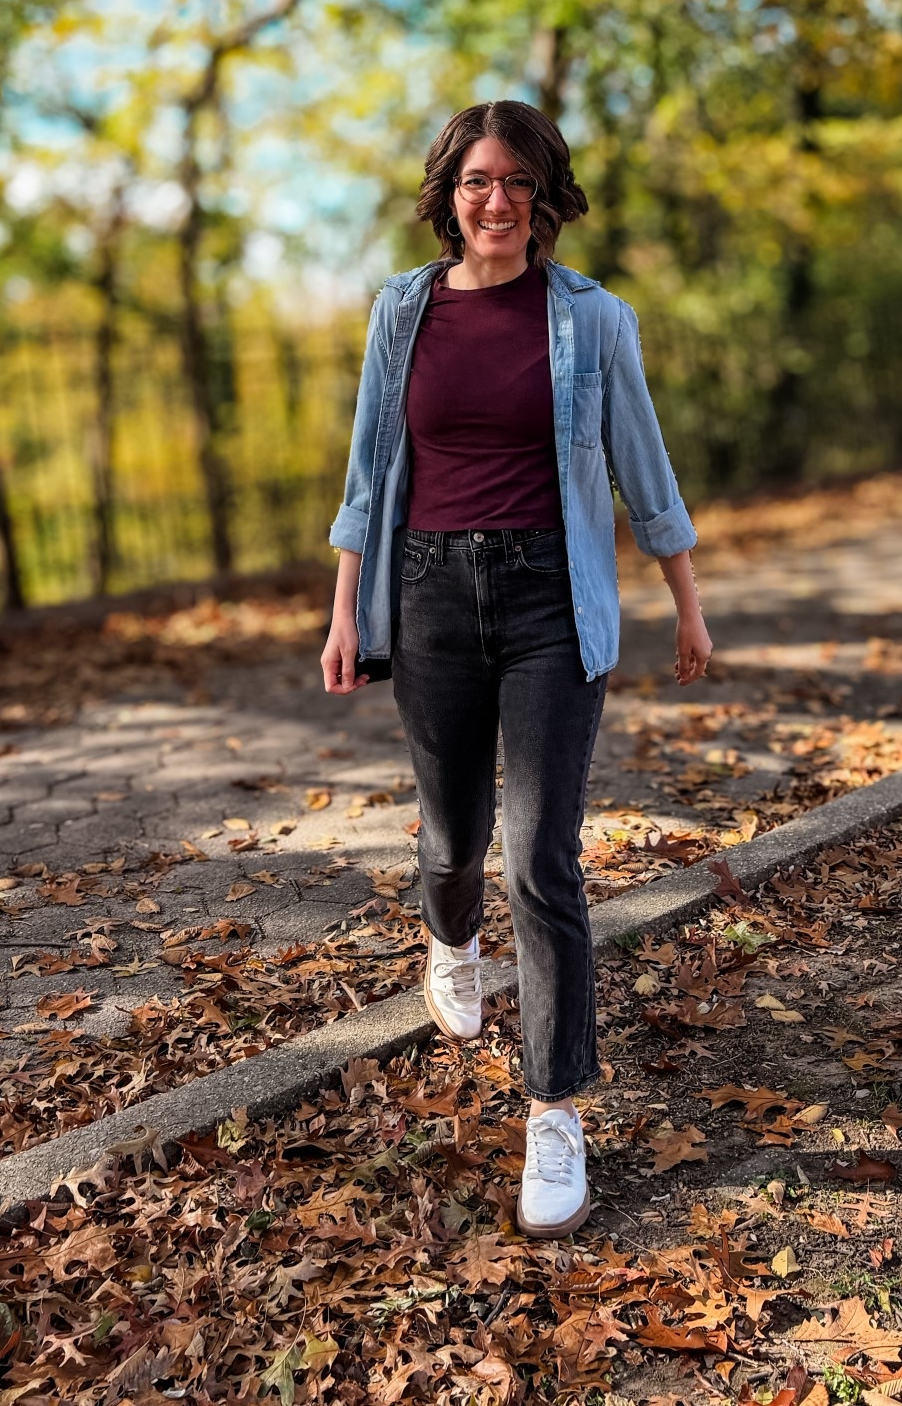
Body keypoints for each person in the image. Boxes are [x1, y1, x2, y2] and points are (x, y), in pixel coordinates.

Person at [321, 100, 712, 1238]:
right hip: (431, 594)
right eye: (476, 181)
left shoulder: (593, 320)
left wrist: (687, 605)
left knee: (544, 856)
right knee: (453, 843)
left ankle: (554, 1108)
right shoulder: (402, 312)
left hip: (552, 599)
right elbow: (366, 471)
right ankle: (450, 940)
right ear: (449, 194)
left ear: (546, 193)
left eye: (517, 181)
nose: (496, 201)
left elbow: (646, 467)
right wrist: (347, 611)